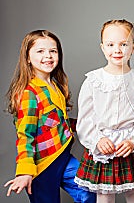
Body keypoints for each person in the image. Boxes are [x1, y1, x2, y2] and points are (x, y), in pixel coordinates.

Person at [74, 19, 134, 203]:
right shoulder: (93, 80)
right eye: (111, 44)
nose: (117, 50)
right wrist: (97, 140)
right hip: (104, 146)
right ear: (102, 47)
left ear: (133, 47)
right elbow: (85, 120)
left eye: (124, 44)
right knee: (104, 196)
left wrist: (133, 140)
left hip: (129, 145)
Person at [4, 30, 96, 203]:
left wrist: (88, 124)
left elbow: (54, 122)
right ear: (28, 58)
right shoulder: (29, 93)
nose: (48, 56)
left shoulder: (55, 85)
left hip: (62, 155)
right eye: (40, 51)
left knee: (88, 190)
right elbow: (25, 135)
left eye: (53, 51)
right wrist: (25, 171)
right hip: (42, 165)